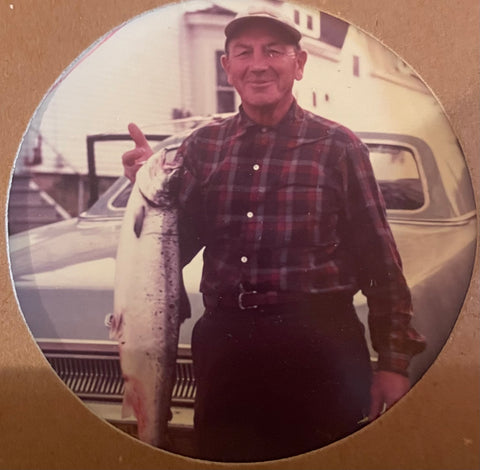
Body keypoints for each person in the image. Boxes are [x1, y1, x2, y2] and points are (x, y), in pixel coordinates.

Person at [122, 6, 426, 462]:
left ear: (298, 64)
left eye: (274, 51)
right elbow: (170, 251)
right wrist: (145, 194)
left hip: (319, 345)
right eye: (243, 52)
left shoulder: (339, 147)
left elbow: (380, 263)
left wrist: (393, 364)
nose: (258, 64)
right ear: (227, 67)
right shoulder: (202, 147)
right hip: (227, 347)